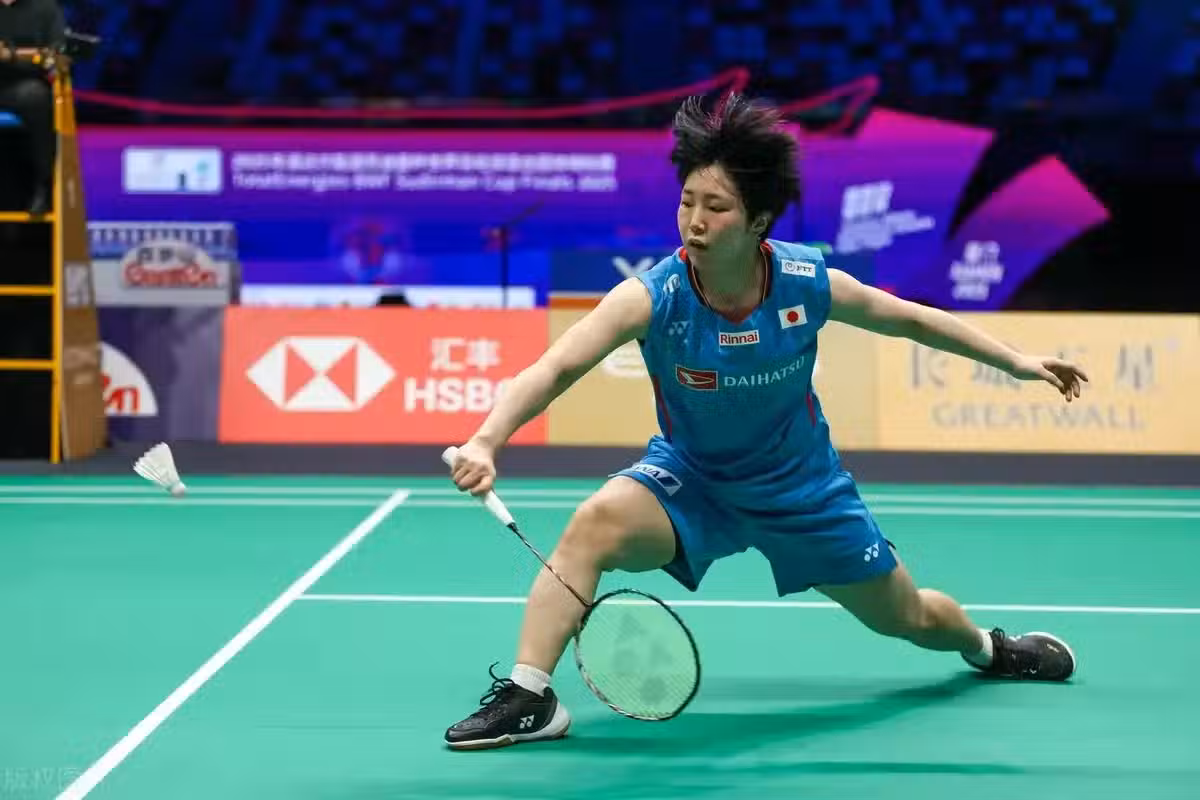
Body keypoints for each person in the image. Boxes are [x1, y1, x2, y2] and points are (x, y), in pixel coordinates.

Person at [442, 93, 1086, 751]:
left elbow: (911, 320)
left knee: (909, 616)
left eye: (716, 207)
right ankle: (530, 696)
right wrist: (488, 440)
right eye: (687, 202)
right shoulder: (653, 297)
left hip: (803, 491)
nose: (695, 222)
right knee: (592, 526)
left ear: (759, 221)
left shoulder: (805, 281)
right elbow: (556, 367)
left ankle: (988, 648)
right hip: (694, 480)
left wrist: (1015, 361)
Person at [0, 0, 65, 214]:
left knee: (35, 96)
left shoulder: (45, 8)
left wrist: (11, 55)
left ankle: (45, 185)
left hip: (23, 86)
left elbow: (57, 54)